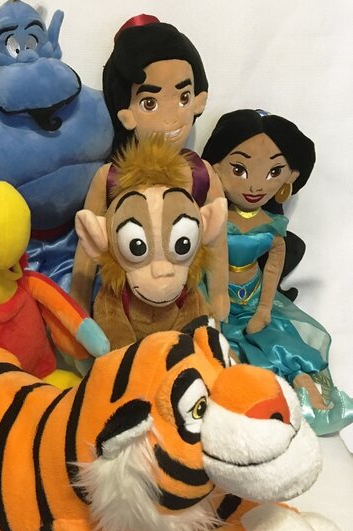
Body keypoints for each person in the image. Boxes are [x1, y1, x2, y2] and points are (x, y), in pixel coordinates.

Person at [202, 108, 353, 435]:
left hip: (257, 298)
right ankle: (254, 394)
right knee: (226, 347)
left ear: (288, 178)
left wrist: (265, 308)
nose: (256, 184)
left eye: (274, 172)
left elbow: (272, 269)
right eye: (239, 169)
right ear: (215, 167)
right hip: (215, 295)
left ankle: (306, 389)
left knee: (278, 339)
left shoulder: (272, 225)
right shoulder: (210, 218)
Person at [70, 14, 228, 320]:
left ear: (199, 100)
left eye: (183, 97)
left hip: (186, 297)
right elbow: (88, 243)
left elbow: (216, 239)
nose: (170, 117)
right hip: (124, 301)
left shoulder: (201, 173)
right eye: (149, 103)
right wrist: (78, 297)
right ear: (126, 114)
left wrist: (220, 293)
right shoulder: (110, 176)